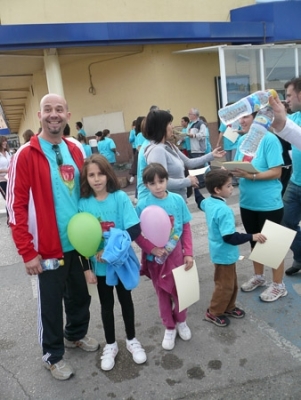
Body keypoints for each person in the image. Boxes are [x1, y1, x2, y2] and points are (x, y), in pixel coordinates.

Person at [7, 94, 99, 381]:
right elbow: (15, 206)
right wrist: (27, 251)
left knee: (80, 296)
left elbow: (88, 191)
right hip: (46, 247)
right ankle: (53, 355)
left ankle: (75, 335)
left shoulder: (76, 148)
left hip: (79, 243)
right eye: (48, 109)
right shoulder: (25, 154)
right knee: (50, 305)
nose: (54, 114)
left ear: (68, 115)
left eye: (59, 109)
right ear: (40, 115)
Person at [78, 154, 147, 371]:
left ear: (108, 174)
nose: (97, 179)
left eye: (100, 174)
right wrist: (87, 268)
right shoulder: (83, 204)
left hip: (121, 264)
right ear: (86, 178)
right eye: (91, 175)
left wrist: (109, 249)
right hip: (99, 269)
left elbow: (134, 229)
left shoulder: (119, 198)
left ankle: (131, 339)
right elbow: (80, 238)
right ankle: (110, 344)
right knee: (106, 306)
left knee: (126, 301)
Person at [194, 170, 266, 327]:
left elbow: (199, 202)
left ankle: (228, 307)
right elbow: (230, 237)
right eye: (228, 186)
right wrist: (251, 236)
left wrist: (195, 188)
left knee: (231, 283)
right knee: (224, 285)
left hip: (221, 252)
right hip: (223, 254)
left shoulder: (210, 202)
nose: (232, 188)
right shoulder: (224, 210)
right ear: (217, 190)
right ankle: (213, 312)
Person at [135, 163, 194, 350]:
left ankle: (182, 321)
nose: (158, 186)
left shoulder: (177, 200)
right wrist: (151, 249)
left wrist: (189, 253)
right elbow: (137, 233)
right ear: (146, 185)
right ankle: (169, 326)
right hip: (155, 260)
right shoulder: (143, 204)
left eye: (161, 181)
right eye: (153, 183)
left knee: (181, 291)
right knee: (162, 293)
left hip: (176, 256)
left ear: (167, 180)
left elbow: (185, 227)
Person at [231, 111, 286, 302]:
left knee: (272, 246)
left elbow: (276, 172)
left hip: (269, 204)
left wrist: (252, 176)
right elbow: (240, 165)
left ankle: (279, 285)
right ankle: (259, 277)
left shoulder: (270, 139)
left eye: (246, 117)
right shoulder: (244, 141)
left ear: (257, 120)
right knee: (254, 242)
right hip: (248, 202)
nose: (241, 121)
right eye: (240, 117)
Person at [141, 109, 225, 201]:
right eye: (169, 124)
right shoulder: (157, 151)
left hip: (179, 199)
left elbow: (189, 162)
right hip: (169, 202)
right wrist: (187, 181)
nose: (172, 127)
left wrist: (211, 155)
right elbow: (162, 182)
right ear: (161, 127)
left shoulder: (168, 145)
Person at [271, 78, 301, 276]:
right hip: (295, 181)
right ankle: (300, 255)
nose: (287, 100)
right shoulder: (296, 117)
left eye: (289, 95)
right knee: (284, 223)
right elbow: (280, 127)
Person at [187, 108, 207, 187]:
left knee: (199, 167)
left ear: (194, 115)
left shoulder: (200, 123)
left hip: (198, 149)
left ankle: (201, 183)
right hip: (192, 148)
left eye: (190, 114)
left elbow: (203, 135)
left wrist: (194, 135)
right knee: (194, 167)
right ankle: (197, 182)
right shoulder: (191, 124)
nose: (189, 116)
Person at [0, 136, 11, 224]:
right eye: (3, 141)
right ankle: (9, 218)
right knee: (7, 198)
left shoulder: (8, 153)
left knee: (12, 198)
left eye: (6, 141)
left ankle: (12, 217)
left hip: (10, 179)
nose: (5, 143)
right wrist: (6, 170)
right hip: (1, 181)